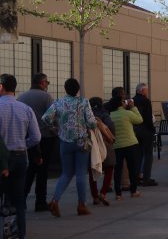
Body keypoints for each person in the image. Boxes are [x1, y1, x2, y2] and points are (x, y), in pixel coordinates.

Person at [43, 78, 96, 218]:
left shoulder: (58, 102)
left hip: (64, 142)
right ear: (78, 89)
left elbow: (46, 118)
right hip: (81, 142)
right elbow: (91, 123)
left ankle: (55, 200)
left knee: (66, 173)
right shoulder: (83, 102)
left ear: (65, 89)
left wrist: (55, 128)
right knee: (80, 173)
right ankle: (81, 205)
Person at [0, 74, 41, 239]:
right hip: (20, 156)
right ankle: (20, 238)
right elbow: (36, 136)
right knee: (18, 198)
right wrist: (23, 144)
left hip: (2, 157)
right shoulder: (25, 108)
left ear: (1, 87)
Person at [18, 73, 56, 212]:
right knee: (42, 170)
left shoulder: (21, 97)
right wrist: (55, 131)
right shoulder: (46, 97)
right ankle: (40, 201)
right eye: (47, 82)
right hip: (45, 138)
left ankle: (21, 199)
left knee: (30, 170)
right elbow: (52, 117)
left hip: (27, 138)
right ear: (42, 83)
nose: (47, 84)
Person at [108, 88, 143, 199]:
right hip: (130, 144)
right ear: (121, 103)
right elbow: (139, 120)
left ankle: (118, 194)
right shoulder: (127, 113)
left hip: (117, 146)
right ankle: (133, 191)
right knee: (132, 168)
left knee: (117, 170)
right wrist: (133, 107)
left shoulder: (111, 115)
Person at [88, 97, 116, 206]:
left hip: (92, 146)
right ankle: (103, 193)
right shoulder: (104, 114)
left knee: (93, 170)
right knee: (109, 168)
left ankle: (95, 197)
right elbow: (111, 127)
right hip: (105, 145)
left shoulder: (88, 115)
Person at [132, 83, 157, 187]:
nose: (147, 92)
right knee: (148, 154)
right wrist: (152, 129)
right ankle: (146, 178)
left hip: (135, 130)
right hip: (146, 130)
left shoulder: (132, 101)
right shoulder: (146, 101)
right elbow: (148, 118)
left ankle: (136, 177)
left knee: (138, 155)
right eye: (146, 90)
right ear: (142, 91)